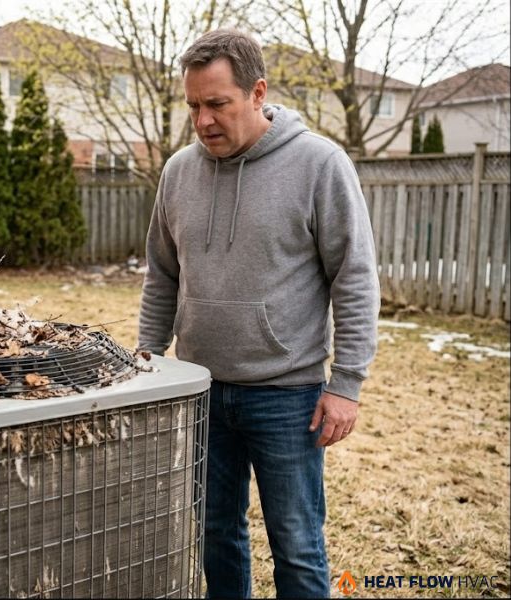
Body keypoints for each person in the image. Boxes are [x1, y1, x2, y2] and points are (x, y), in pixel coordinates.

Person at [137, 29, 379, 598]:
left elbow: (356, 278)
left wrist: (346, 384)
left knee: (296, 544)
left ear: (256, 92)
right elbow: (161, 274)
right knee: (214, 535)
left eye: (217, 103)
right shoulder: (177, 172)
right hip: (198, 391)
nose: (202, 121)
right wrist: (146, 364)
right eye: (193, 105)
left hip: (287, 396)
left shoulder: (319, 164)